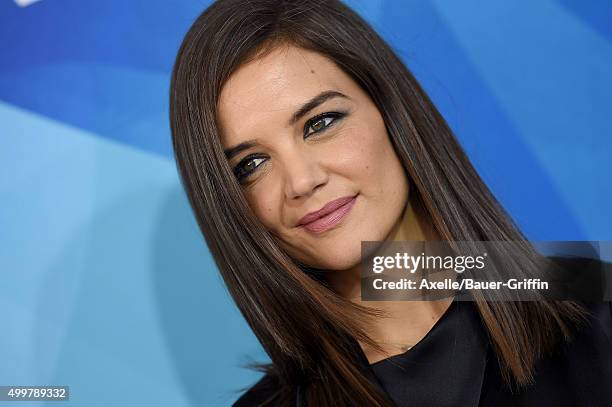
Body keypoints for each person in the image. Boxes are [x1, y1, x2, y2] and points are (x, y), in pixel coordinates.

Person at [168, 0, 612, 405]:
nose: (302, 181)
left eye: (320, 122)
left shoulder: (588, 289)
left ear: (389, 110)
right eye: (251, 164)